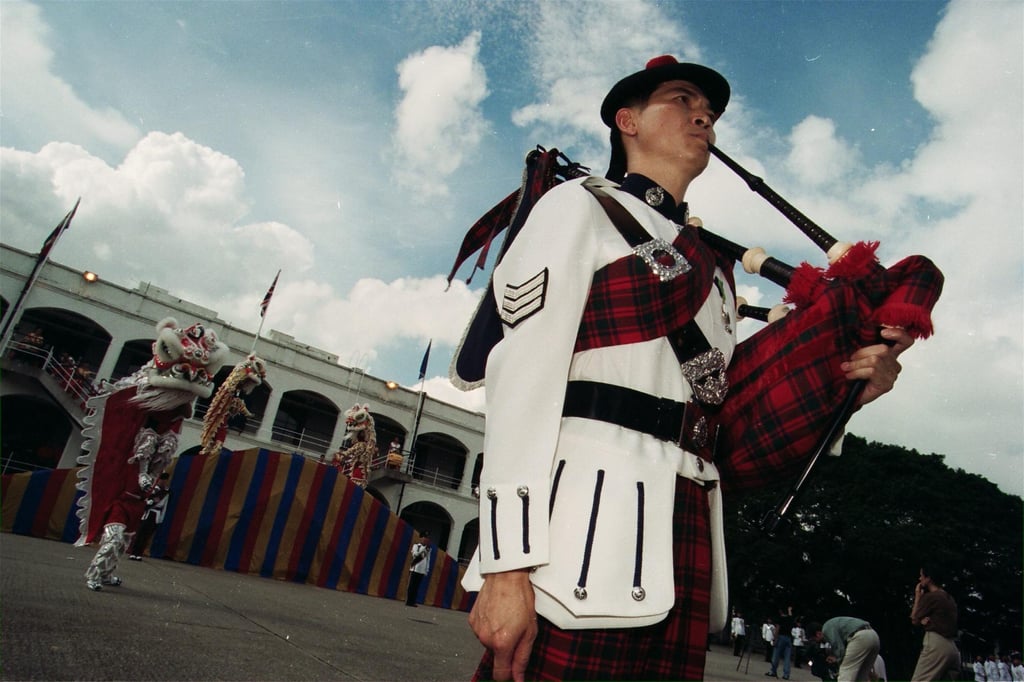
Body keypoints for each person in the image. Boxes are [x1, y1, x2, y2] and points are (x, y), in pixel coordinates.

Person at [461, 55, 914, 682]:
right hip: (577, 544)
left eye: (712, 111)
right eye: (681, 99)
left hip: (686, 531)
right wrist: (505, 565)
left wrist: (848, 387)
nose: (704, 115)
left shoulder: (717, 274)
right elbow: (523, 373)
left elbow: (728, 418)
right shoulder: (579, 207)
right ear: (628, 121)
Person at [910, 566, 960, 681]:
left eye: (922, 576)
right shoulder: (949, 598)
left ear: (928, 579)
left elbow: (914, 619)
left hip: (936, 644)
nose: (919, 578)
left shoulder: (931, 597)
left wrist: (917, 596)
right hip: (952, 647)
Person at [808, 618, 879, 682]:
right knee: (860, 676)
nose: (817, 642)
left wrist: (836, 659)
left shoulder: (826, 629)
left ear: (818, 634)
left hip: (860, 637)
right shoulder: (835, 624)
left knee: (845, 673)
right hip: (874, 636)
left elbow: (839, 649)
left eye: (814, 640)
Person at [127, 471, 171, 560]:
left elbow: (164, 506)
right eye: (162, 480)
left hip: (156, 515)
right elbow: (144, 500)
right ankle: (133, 552)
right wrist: (148, 503)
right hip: (147, 513)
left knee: (147, 536)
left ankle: (139, 553)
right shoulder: (151, 489)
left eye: (165, 480)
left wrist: (161, 518)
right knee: (140, 534)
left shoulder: (166, 492)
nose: (163, 482)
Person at [769, 605, 796, 679]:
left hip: (781, 637)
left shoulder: (780, 619)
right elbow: (791, 616)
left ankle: (773, 671)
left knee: (776, 655)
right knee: (787, 657)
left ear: (780, 612)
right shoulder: (790, 619)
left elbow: (777, 629)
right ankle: (786, 674)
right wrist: (790, 610)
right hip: (788, 638)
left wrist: (774, 638)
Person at [405, 532, 432, 606]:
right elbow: (415, 555)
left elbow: (428, 559)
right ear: (421, 538)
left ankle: (413, 601)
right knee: (411, 586)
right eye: (424, 537)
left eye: (427, 538)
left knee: (416, 587)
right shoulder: (416, 546)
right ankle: (408, 601)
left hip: (421, 570)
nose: (426, 539)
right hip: (415, 568)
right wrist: (423, 549)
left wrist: (427, 569)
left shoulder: (428, 548)